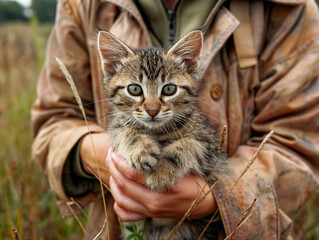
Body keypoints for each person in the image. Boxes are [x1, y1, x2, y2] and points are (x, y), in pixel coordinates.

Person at [31, 0, 319, 239]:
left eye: (169, 90)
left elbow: (299, 145)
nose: (153, 107)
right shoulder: (81, 5)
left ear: (191, 67)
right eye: (135, 91)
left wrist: (212, 200)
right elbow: (55, 121)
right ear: (111, 69)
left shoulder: (288, 10)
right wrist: (98, 155)